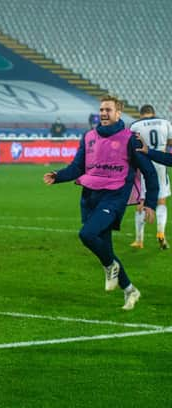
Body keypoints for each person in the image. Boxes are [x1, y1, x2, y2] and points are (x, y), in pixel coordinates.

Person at [43, 96, 158, 310]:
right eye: (101, 109)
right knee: (106, 248)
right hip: (90, 196)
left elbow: (149, 172)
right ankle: (130, 290)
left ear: (118, 113)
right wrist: (58, 176)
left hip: (114, 196)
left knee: (87, 234)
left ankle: (110, 266)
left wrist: (150, 202)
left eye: (108, 109)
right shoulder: (88, 137)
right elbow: (77, 168)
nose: (104, 113)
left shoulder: (130, 139)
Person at [129, 104, 172, 249]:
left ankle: (139, 240)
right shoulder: (165, 123)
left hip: (143, 165)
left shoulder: (135, 126)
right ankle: (161, 234)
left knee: (141, 201)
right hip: (161, 163)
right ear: (153, 113)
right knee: (161, 201)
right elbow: (170, 142)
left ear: (141, 114)